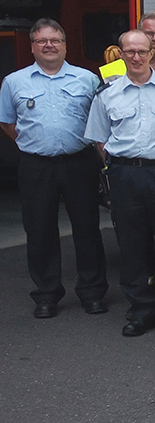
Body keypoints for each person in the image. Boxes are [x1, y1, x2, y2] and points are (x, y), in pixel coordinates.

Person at [84, 29, 155, 336]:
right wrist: (123, 166)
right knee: (132, 245)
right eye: (129, 52)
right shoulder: (107, 93)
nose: (136, 57)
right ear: (120, 55)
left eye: (141, 51)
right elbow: (100, 139)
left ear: (153, 53)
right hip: (124, 175)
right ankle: (141, 311)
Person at [0, 18, 107, 318]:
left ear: (64, 45)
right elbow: (7, 122)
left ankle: (92, 292)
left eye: (55, 40)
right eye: (42, 41)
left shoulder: (86, 79)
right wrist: (34, 143)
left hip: (79, 162)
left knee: (87, 228)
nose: (49, 45)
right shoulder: (14, 82)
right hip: (37, 165)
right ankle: (46, 294)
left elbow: (100, 119)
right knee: (39, 230)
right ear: (33, 46)